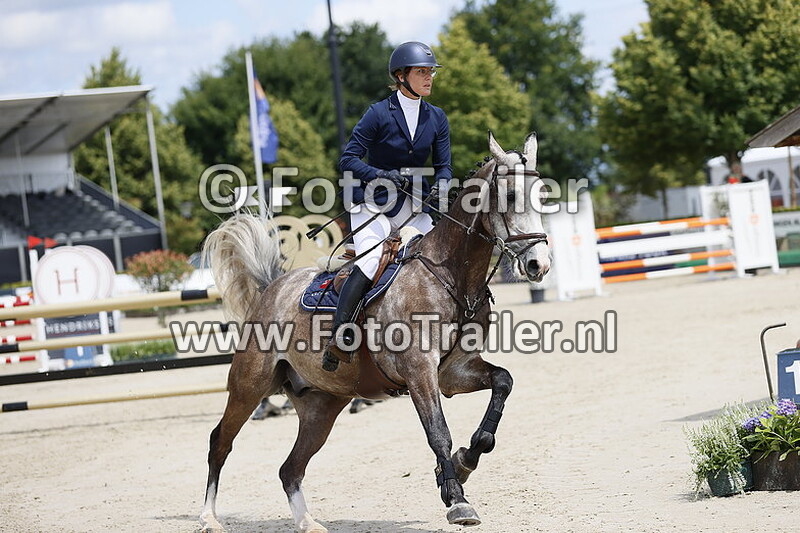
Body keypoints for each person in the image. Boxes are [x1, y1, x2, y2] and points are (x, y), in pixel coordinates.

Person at [322, 41, 452, 371]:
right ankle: (340, 337)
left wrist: (442, 189)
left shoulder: (436, 117)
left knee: (441, 257)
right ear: (401, 76)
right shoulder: (378, 113)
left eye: (431, 72)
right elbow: (348, 159)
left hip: (414, 206)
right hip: (372, 204)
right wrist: (381, 175)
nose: (429, 78)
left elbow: (444, 166)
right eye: (422, 72)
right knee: (369, 263)